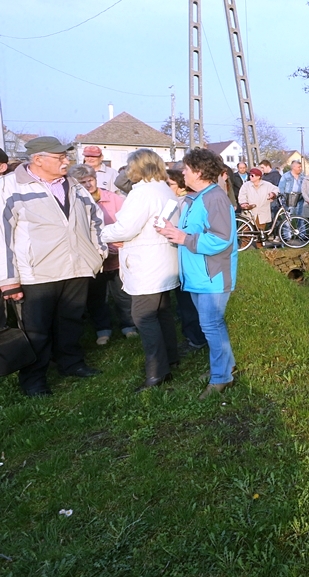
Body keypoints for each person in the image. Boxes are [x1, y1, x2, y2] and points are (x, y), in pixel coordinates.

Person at [0, 137, 107, 396]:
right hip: (38, 273)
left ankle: (71, 363)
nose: (66, 161)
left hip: (77, 267)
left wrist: (98, 253)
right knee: (37, 329)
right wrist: (8, 279)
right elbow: (2, 235)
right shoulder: (10, 187)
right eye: (60, 158)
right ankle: (34, 379)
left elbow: (95, 217)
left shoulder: (74, 184)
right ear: (38, 160)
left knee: (70, 321)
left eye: (66, 157)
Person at [156, 148, 238, 400]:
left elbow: (221, 239)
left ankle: (221, 378)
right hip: (198, 275)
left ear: (199, 172)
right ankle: (225, 367)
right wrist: (173, 230)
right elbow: (194, 230)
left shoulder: (214, 198)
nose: (183, 172)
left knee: (211, 325)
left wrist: (183, 238)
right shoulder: (198, 197)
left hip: (213, 275)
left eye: (187, 168)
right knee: (212, 325)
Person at [100, 149, 180, 391]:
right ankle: (171, 358)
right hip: (163, 258)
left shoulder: (142, 193)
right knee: (162, 311)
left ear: (137, 168)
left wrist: (103, 233)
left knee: (143, 316)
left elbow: (126, 228)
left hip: (147, 262)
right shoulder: (165, 189)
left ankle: (157, 372)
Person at [68, 163, 136, 345]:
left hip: (117, 256)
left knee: (123, 294)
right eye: (82, 182)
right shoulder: (75, 201)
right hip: (93, 259)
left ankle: (128, 325)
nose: (88, 185)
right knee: (97, 297)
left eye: (90, 180)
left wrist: (115, 247)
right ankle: (102, 329)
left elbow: (125, 224)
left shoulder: (114, 199)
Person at [166, 168, 207, 354]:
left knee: (188, 302)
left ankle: (196, 338)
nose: (167, 187)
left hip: (188, 257)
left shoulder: (186, 203)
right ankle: (192, 335)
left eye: (170, 184)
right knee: (184, 303)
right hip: (178, 257)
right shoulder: (171, 201)